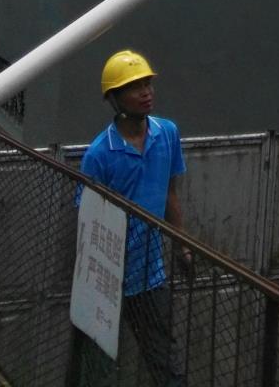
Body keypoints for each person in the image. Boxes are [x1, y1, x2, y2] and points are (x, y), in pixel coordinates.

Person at [71, 50, 188, 385]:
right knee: (98, 367)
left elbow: (169, 193)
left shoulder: (167, 133)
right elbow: (88, 217)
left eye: (147, 84)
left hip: (150, 275)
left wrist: (181, 246)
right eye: (135, 87)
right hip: (106, 276)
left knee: (166, 363)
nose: (146, 92)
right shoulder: (99, 154)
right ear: (115, 98)